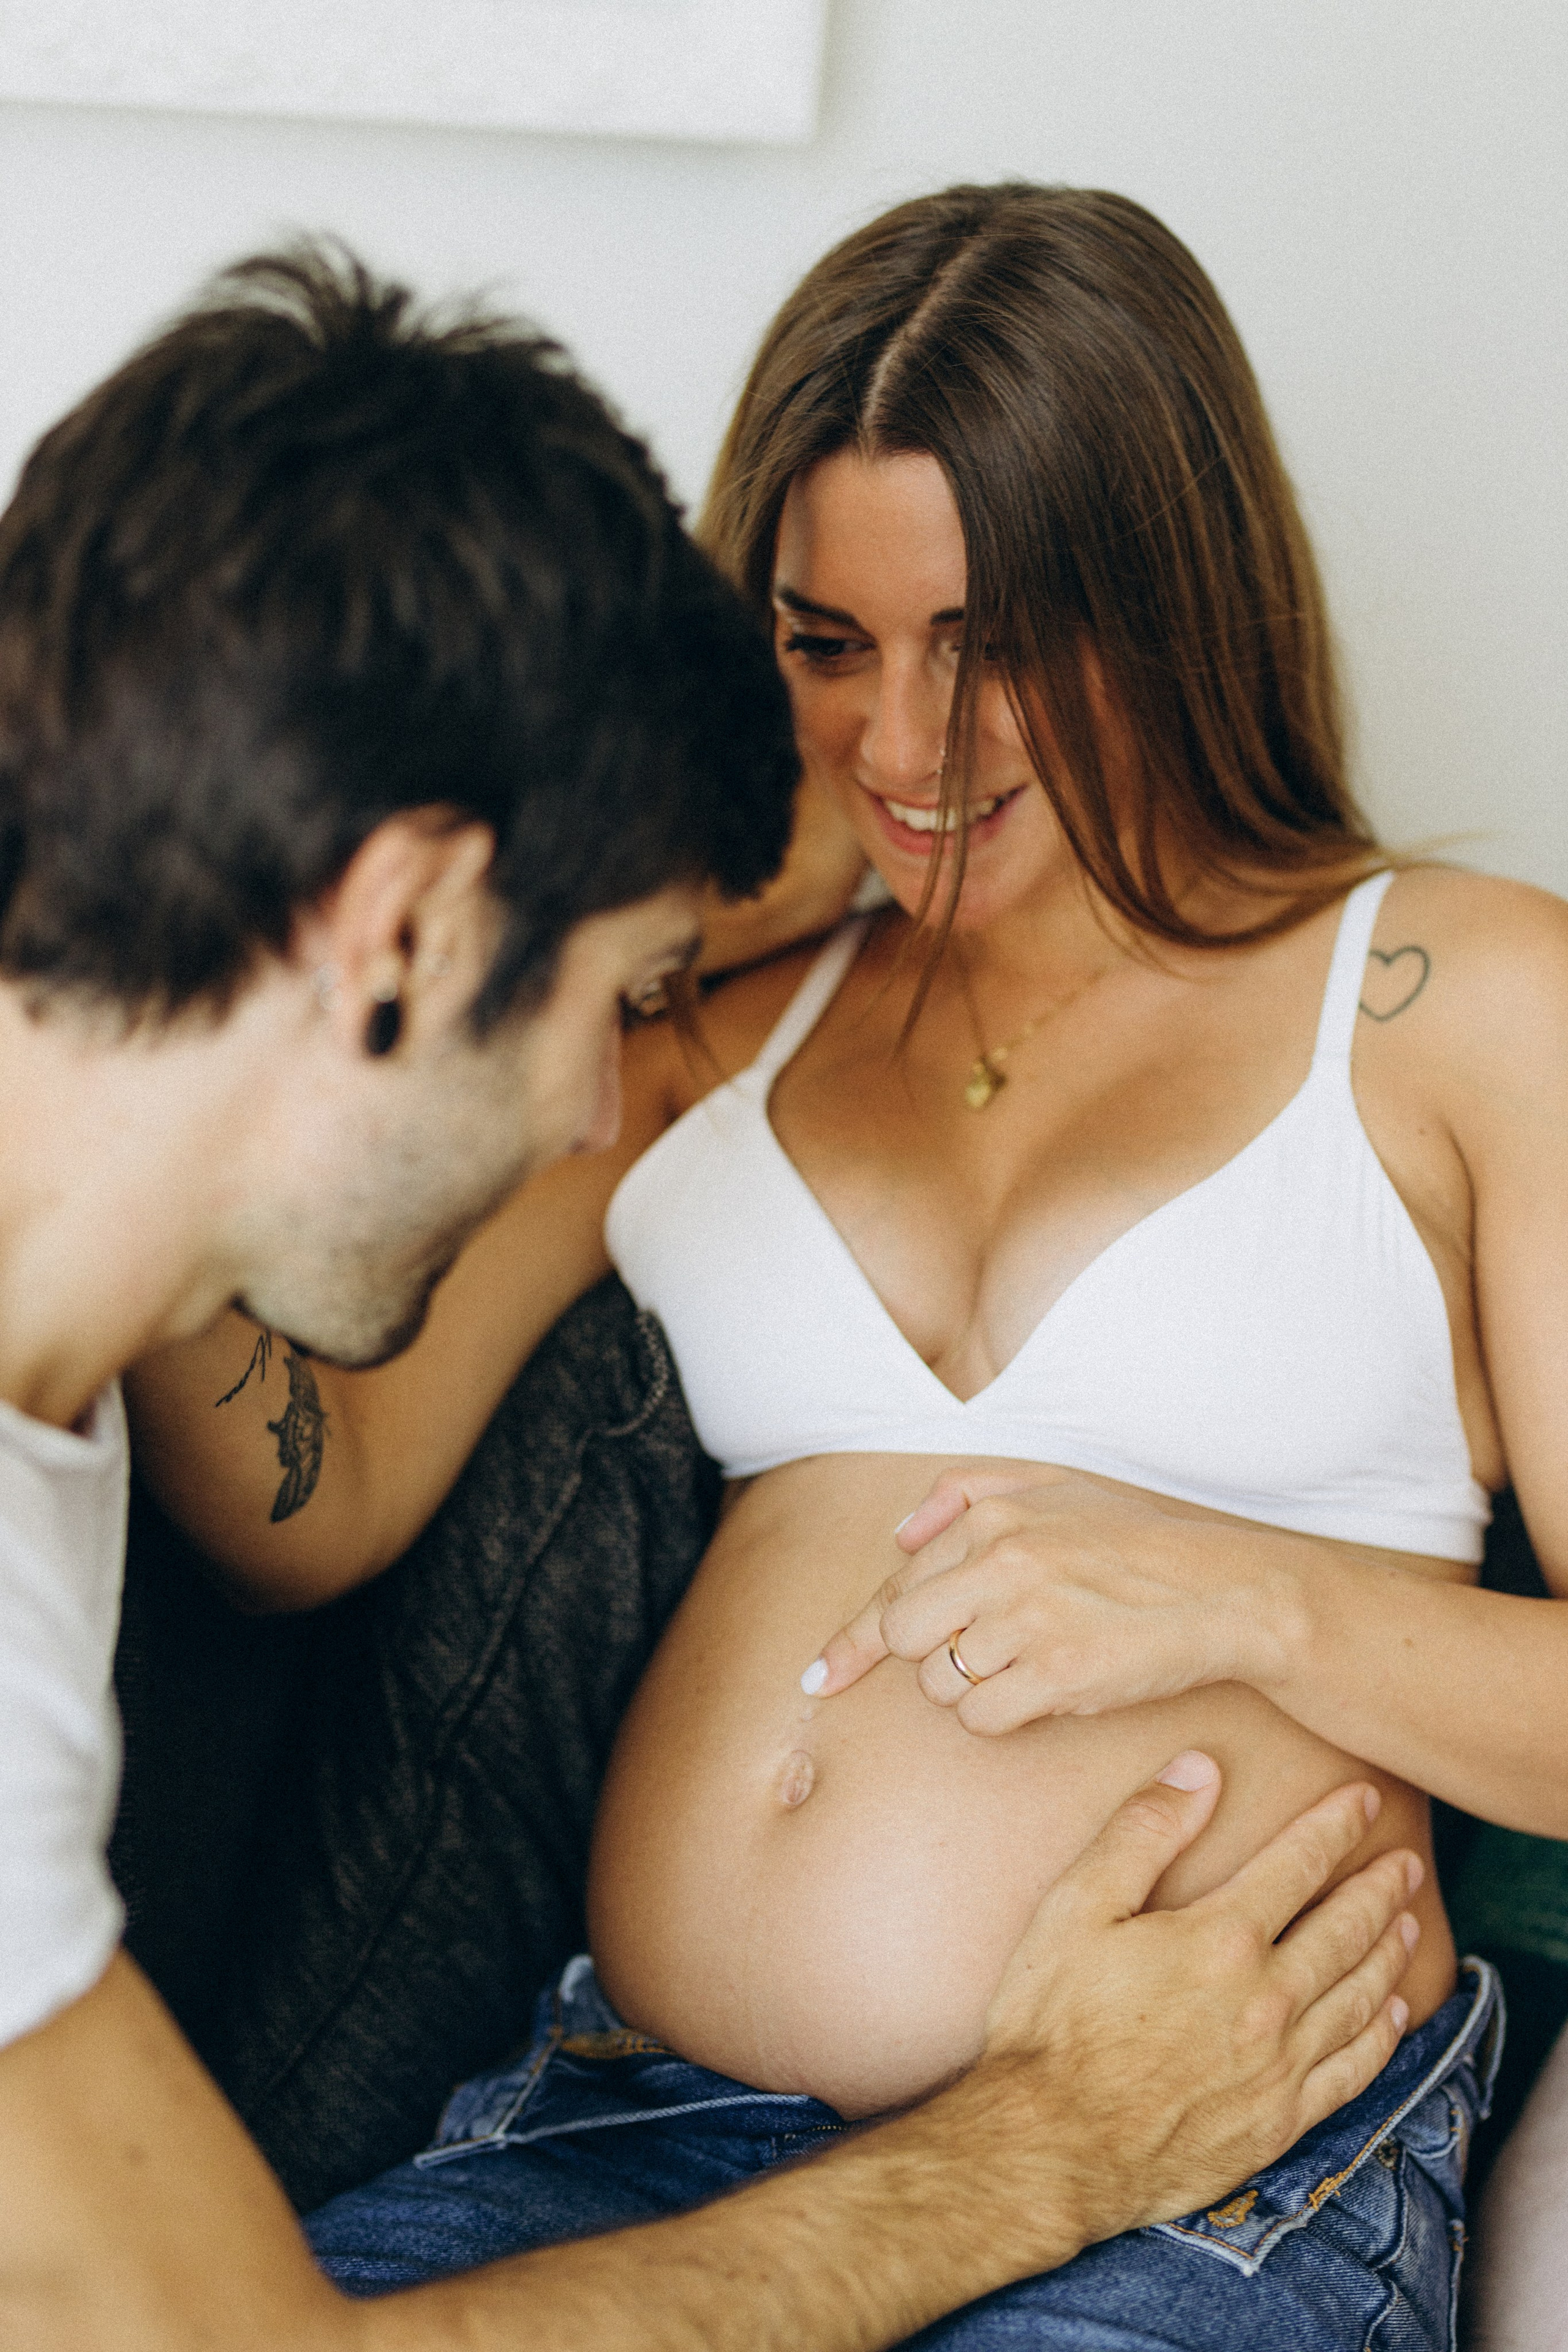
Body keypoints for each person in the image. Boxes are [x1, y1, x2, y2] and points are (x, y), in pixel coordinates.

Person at [126, 184, 1550, 2340]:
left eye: (990, 646)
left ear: (1172, 601)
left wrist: (1248, 1593)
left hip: (1212, 2170)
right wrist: (132, 1128)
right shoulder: (707, 1025)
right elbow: (308, 1507)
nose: (904, 750)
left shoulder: (1459, 1003)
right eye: (827, 647)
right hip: (612, 2131)